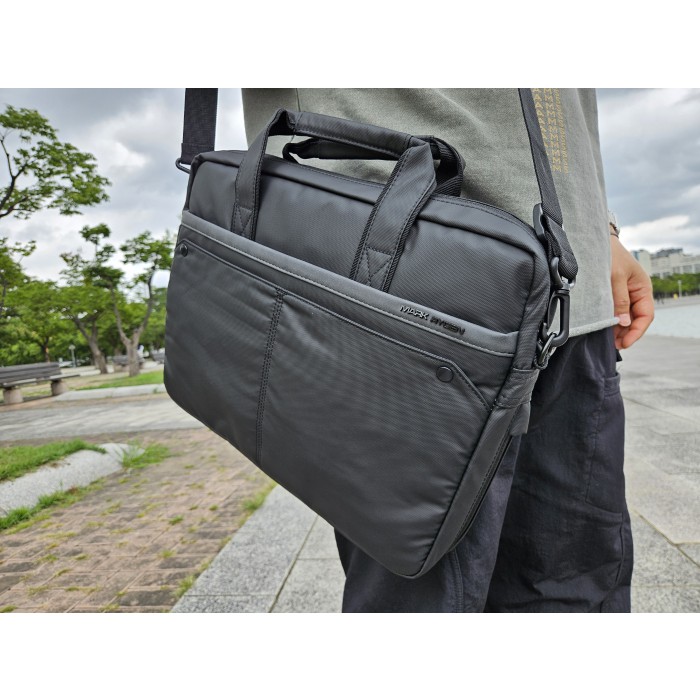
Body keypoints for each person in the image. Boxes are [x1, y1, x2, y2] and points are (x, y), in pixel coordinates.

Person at [241, 88, 654, 612]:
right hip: (397, 281)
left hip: (573, 286)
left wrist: (602, 226)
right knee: (421, 600)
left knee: (576, 582)